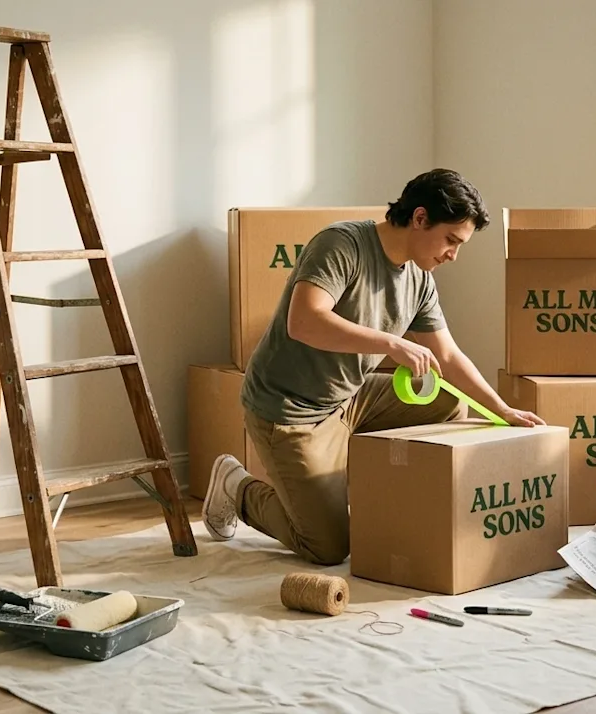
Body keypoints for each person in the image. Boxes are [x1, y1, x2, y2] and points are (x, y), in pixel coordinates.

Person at [201, 168, 546, 565]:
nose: (454, 255)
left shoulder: (419, 278)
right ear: (419, 218)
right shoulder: (341, 244)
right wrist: (390, 342)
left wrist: (501, 411)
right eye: (451, 240)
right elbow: (304, 321)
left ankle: (374, 496)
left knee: (449, 406)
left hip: (350, 398)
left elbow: (447, 357)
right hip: (290, 410)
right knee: (328, 547)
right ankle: (237, 486)